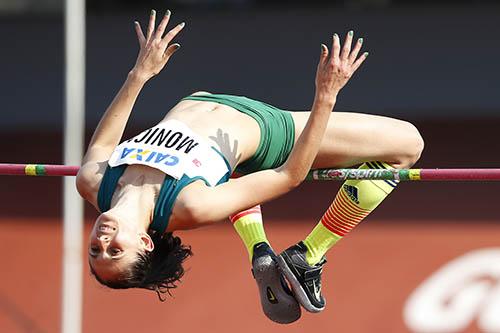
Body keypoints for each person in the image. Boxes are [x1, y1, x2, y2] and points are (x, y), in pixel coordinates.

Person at [76, 10, 424, 324]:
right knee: (407, 146)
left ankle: (260, 248)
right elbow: (288, 176)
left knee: (230, 177)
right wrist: (325, 97)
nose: (103, 240)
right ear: (144, 243)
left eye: (96, 249)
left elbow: (105, 142)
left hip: (204, 102)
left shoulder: (93, 183)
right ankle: (310, 254)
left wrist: (140, 73)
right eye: (116, 251)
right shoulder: (189, 205)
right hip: (270, 130)